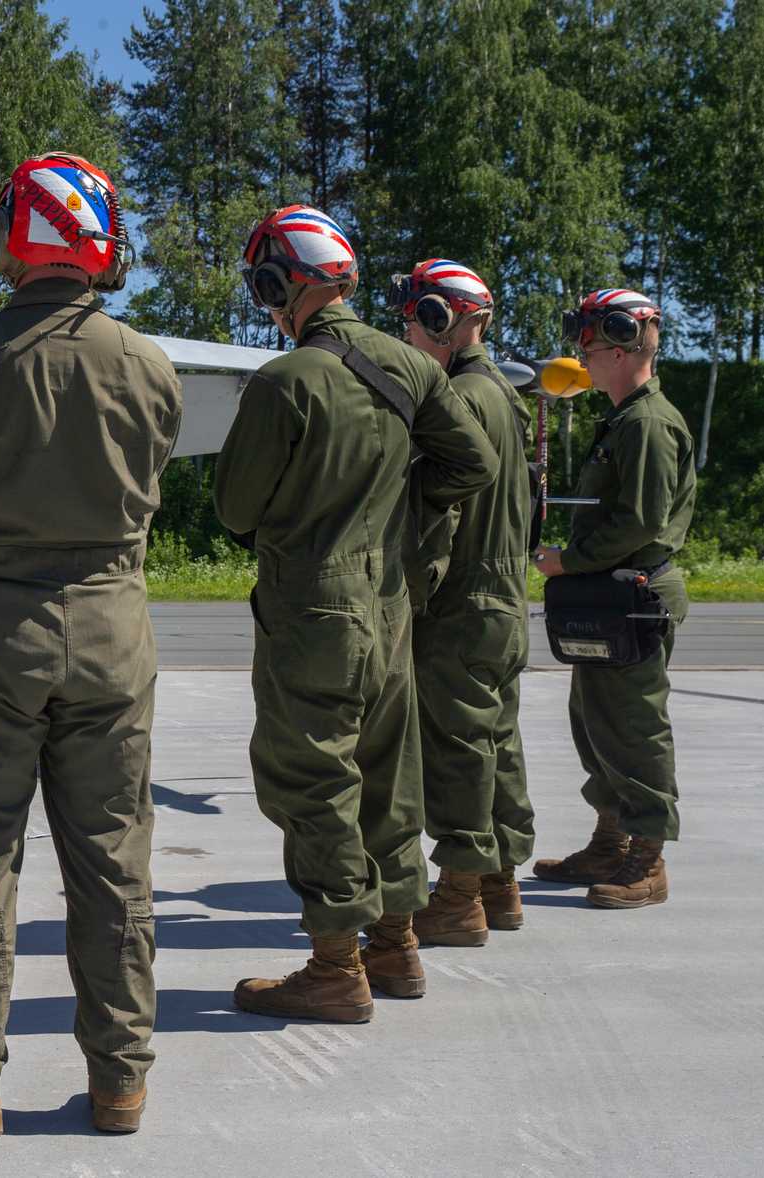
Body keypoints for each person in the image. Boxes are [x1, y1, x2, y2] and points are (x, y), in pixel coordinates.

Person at [0, 153, 180, 1139]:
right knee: (113, 861)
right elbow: (156, 464)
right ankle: (122, 1079)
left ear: (15, 241)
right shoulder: (147, 362)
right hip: (112, 628)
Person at [213, 206, 496, 1022]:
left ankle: (336, 965)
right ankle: (396, 947)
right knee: (385, 771)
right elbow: (469, 463)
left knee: (314, 780)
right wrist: (402, 512)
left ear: (281, 283)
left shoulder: (285, 381)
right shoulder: (410, 366)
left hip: (313, 611)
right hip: (391, 603)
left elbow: (237, 509)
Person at [531, 290, 694, 909]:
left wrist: (567, 561)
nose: (582, 356)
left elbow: (642, 522)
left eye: (591, 344)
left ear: (624, 346)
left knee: (634, 730)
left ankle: (647, 862)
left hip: (634, 598)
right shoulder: (625, 418)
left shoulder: (648, 424)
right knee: (596, 725)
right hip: (610, 598)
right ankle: (609, 842)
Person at [392, 260, 536, 943]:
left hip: (463, 598)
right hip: (505, 593)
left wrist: (407, 591)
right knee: (495, 741)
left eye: (417, 316)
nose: (409, 330)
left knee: (456, 750)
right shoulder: (504, 394)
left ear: (440, 318)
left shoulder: (459, 399)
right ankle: (500, 884)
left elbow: (436, 514)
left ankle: (455, 898)